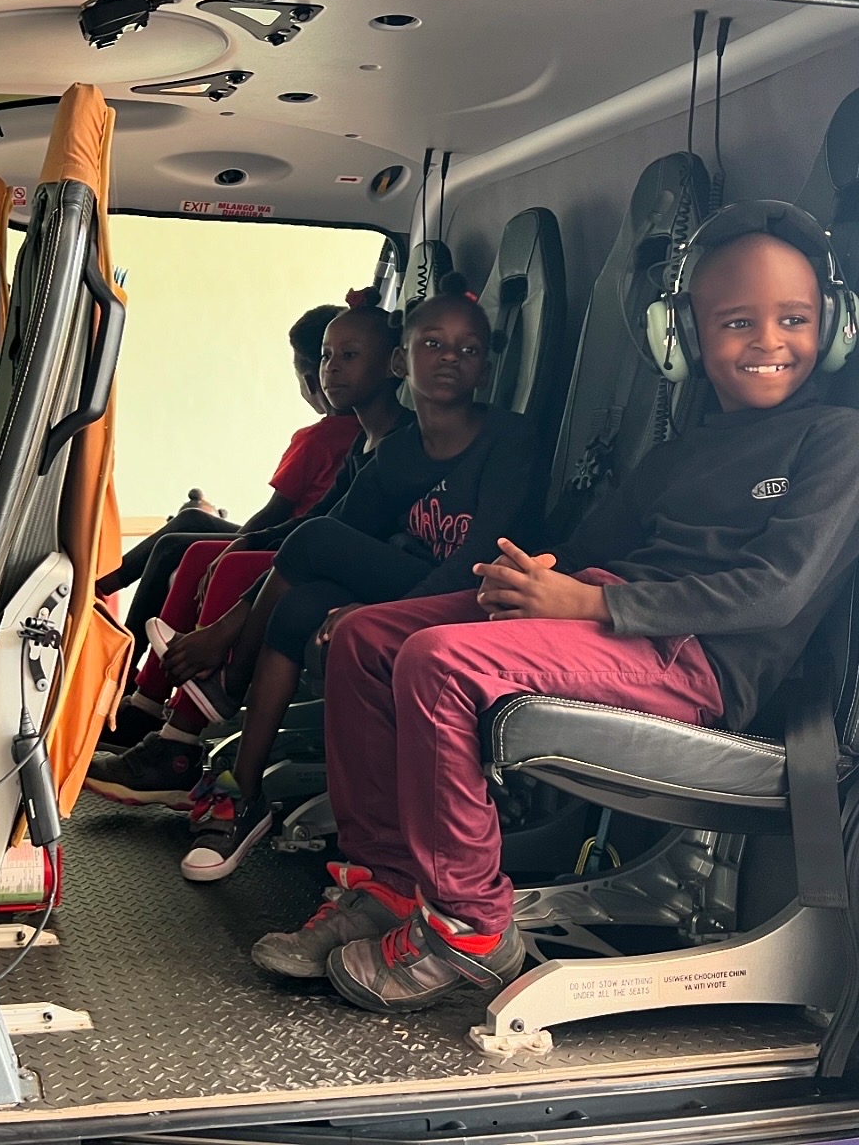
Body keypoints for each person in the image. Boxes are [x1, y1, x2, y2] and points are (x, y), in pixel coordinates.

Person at [251, 203, 859, 1019]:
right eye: (736, 322)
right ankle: (388, 887)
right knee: (368, 636)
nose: (768, 342)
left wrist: (589, 603)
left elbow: (774, 592)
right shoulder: (679, 451)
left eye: (795, 319)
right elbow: (583, 547)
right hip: (607, 620)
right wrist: (533, 582)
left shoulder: (836, 440)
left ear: (836, 325)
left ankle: (470, 931)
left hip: (698, 660)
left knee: (440, 660)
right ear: (682, 338)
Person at [174, 275, 545, 881]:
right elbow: (315, 545)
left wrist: (376, 617)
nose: (450, 357)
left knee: (316, 545)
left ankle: (224, 684)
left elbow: (479, 560)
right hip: (419, 588)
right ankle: (243, 793)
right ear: (402, 360)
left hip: (484, 603)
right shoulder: (400, 453)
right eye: (433, 343)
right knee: (304, 602)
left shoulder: (512, 439)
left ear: (484, 368)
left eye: (468, 349)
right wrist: (244, 612)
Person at [86, 288, 409, 802]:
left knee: (237, 565)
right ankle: (149, 704)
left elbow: (327, 532)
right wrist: (246, 543)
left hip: (366, 574)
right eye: (327, 357)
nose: (331, 370)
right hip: (331, 559)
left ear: (395, 364)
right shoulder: (363, 443)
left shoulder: (397, 445)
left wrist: (227, 612)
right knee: (211, 550)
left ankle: (178, 743)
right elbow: (316, 522)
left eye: (349, 357)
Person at [97, 304, 359, 637]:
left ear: (309, 381)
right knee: (193, 520)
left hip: (282, 540)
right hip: (300, 538)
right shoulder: (366, 432)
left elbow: (273, 514)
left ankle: (124, 647)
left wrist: (233, 546)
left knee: (173, 544)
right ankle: (104, 586)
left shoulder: (316, 439)